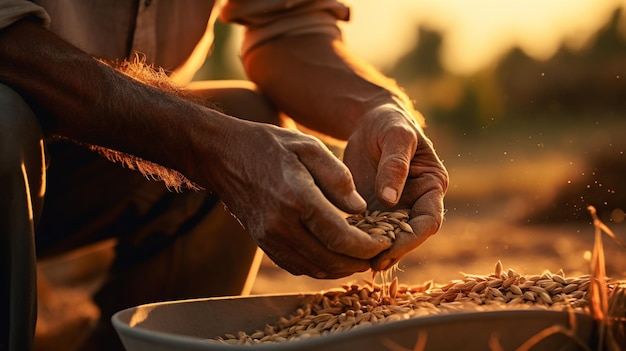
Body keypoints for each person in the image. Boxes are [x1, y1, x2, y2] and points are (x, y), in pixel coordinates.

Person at [0, 0, 448, 350]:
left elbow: (289, 30)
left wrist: (381, 110)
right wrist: (210, 146)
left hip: (82, 156)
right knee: (5, 121)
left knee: (245, 114)